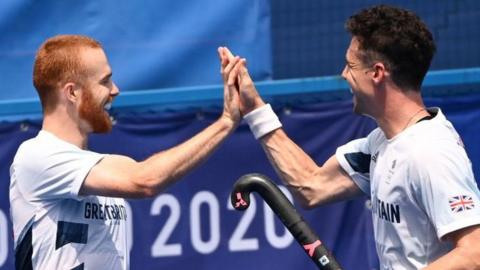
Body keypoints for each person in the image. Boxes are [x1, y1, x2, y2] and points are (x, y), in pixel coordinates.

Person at [219, 5, 480, 269]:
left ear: (377, 73)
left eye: (350, 64)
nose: (344, 74)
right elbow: (311, 186)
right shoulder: (382, 144)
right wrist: (255, 109)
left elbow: (474, 254)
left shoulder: (429, 152)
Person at [9, 35, 245, 269]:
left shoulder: (96, 170)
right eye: (105, 82)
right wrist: (226, 122)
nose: (115, 90)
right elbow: (145, 180)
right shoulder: (36, 155)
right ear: (72, 92)